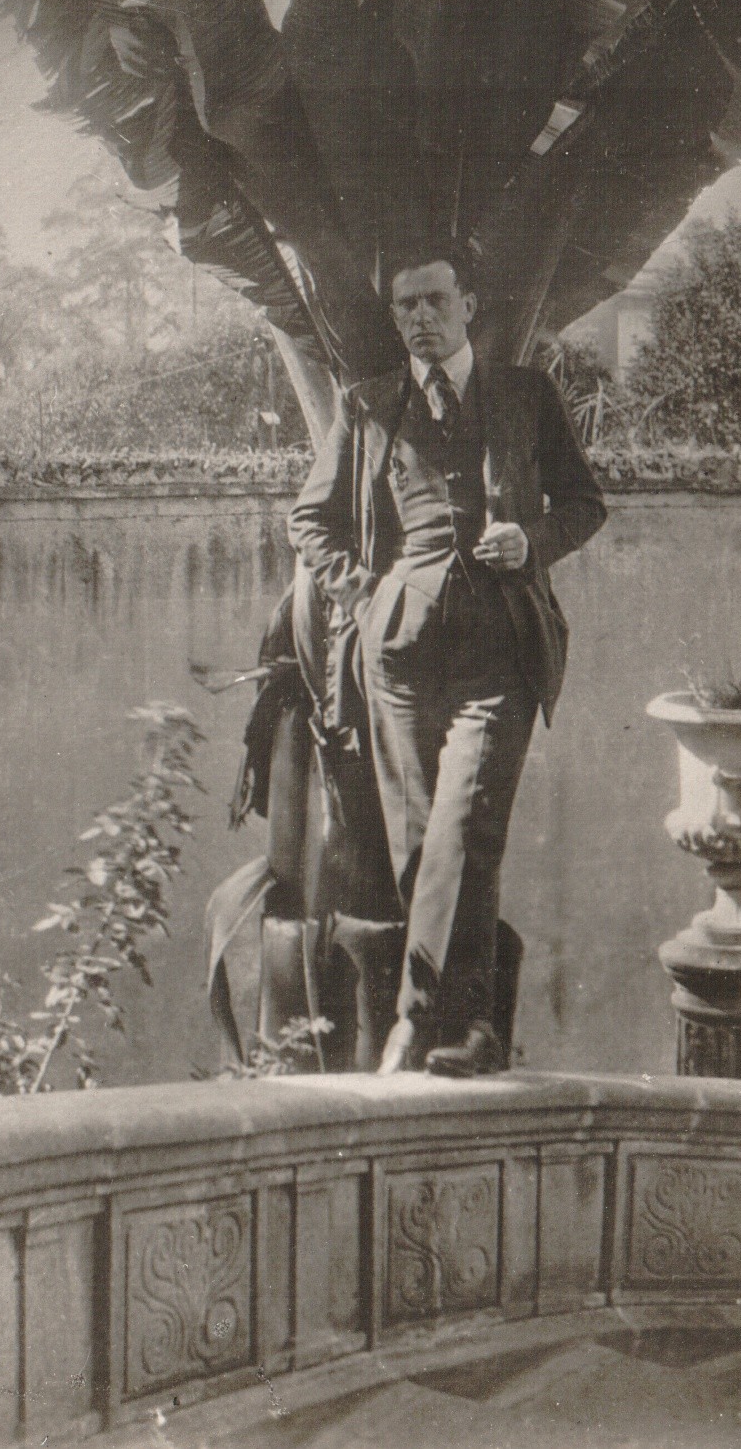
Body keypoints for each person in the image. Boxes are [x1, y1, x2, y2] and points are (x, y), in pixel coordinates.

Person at [288, 254, 607, 1075]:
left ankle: (431, 1020)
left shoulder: (525, 395)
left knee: (466, 827)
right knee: (414, 839)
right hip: (397, 656)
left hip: (499, 645)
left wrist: (531, 542)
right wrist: (362, 593)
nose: (420, 317)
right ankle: (460, 1027)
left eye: (434, 300)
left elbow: (584, 503)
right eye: (405, 307)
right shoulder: (368, 407)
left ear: (469, 302)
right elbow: (310, 520)